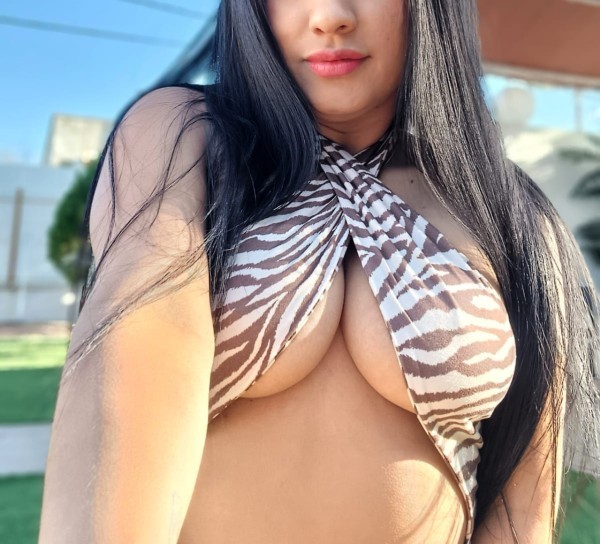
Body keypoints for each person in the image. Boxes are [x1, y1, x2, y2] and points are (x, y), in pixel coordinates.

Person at [39, 1, 599, 543]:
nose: (331, 16)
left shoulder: (508, 210)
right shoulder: (183, 137)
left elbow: (521, 507)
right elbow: (145, 328)